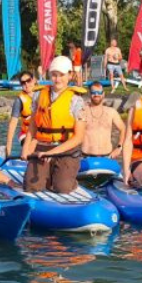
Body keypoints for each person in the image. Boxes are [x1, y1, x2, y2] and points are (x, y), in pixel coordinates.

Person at [21, 56, 88, 193]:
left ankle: (66, 179)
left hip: (67, 150)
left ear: (70, 75)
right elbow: (33, 125)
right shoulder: (39, 95)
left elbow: (79, 137)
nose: (57, 79)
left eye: (61, 75)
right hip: (43, 147)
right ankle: (48, 174)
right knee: (31, 186)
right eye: (54, 75)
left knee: (62, 188)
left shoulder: (76, 100)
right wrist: (26, 148)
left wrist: (52, 153)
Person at [80, 81, 125, 158]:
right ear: (90, 94)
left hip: (107, 156)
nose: (96, 94)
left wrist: (119, 147)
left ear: (103, 94)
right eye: (93, 92)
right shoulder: (83, 111)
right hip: (86, 157)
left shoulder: (111, 112)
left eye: (99, 92)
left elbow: (123, 129)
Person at [5, 70, 38, 159]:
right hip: (26, 134)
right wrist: (8, 150)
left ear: (34, 80)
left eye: (28, 81)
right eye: (23, 83)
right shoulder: (19, 100)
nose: (26, 84)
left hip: (42, 134)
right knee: (32, 148)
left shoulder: (43, 94)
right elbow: (12, 125)